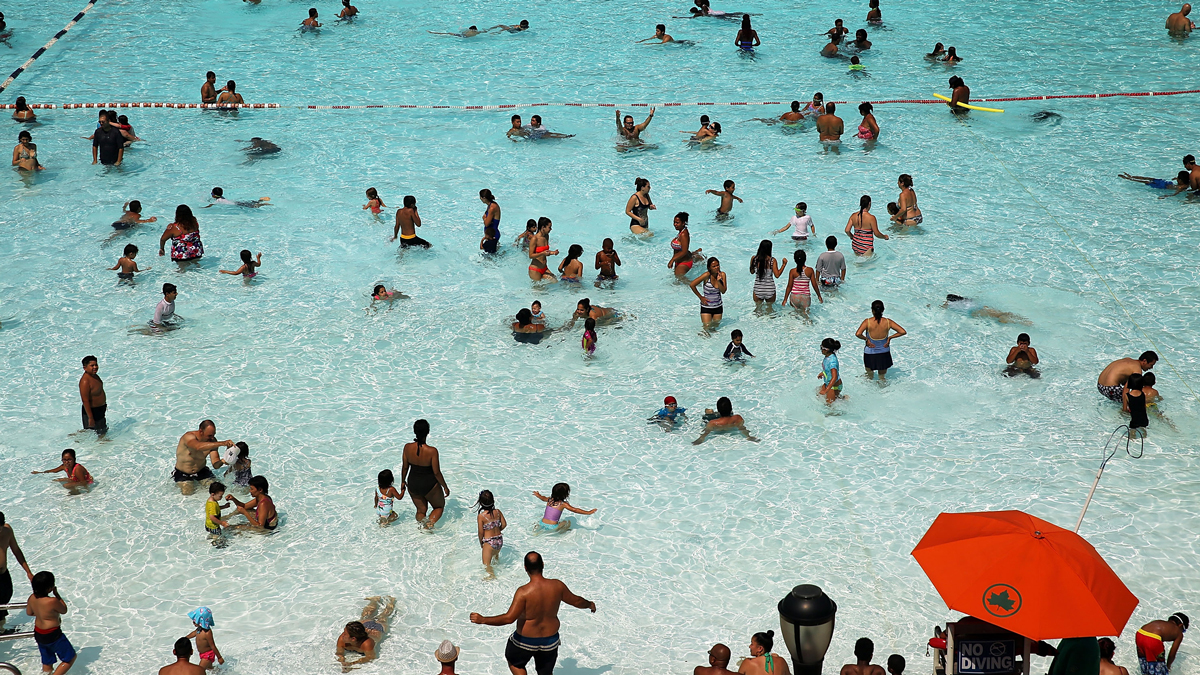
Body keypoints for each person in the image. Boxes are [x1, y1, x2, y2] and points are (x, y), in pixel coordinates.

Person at [470, 551, 597, 675]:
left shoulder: (523, 592)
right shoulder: (557, 586)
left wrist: (483, 620)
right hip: (550, 641)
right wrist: (589, 604)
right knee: (545, 672)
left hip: (525, 641)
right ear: (543, 564)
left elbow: (509, 618)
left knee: (515, 664)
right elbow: (576, 601)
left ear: (525, 568)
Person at [401, 419, 450, 529]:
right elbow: (436, 472)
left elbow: (405, 467)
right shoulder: (432, 451)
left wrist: (403, 481)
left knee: (421, 510)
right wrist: (445, 487)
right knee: (438, 507)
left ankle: (422, 524)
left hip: (413, 483)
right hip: (429, 485)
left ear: (414, 431)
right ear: (427, 432)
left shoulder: (407, 447)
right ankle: (428, 526)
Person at [26, 571, 77, 675]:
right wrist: (57, 595)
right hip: (53, 635)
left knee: (47, 661)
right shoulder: (52, 601)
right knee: (70, 658)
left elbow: (29, 612)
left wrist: (42, 614)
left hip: (39, 633)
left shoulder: (32, 598)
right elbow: (64, 610)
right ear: (50, 588)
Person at [173, 420, 234, 495]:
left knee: (218, 490)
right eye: (209, 435)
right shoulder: (188, 437)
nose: (212, 438)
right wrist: (222, 443)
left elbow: (215, 465)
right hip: (183, 473)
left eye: (213, 435)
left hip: (201, 471)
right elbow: (198, 447)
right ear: (201, 431)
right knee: (187, 493)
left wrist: (223, 461)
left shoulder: (213, 442)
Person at [336, 597, 396, 672]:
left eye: (345, 633)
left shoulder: (367, 643)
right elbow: (339, 653)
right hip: (364, 625)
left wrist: (352, 663)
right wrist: (343, 661)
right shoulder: (343, 639)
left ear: (353, 639)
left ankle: (391, 602)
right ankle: (375, 600)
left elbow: (371, 657)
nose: (342, 635)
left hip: (378, 628)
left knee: (384, 616)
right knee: (367, 614)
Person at [0, 512, 34, 630]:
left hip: (3, 575)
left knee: (6, 597)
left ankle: (1, 629)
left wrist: (28, 572)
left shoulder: (7, 531)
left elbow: (16, 551)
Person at [857, 300, 906, 380]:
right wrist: (890, 337)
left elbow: (858, 334)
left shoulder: (867, 322)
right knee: (882, 377)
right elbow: (902, 331)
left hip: (870, 353)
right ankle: (884, 391)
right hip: (884, 352)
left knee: (869, 376)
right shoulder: (888, 322)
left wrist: (866, 339)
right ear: (883, 310)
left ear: (872, 310)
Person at [693, 397, 758, 444]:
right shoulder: (738, 418)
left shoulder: (713, 423)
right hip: (730, 421)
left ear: (718, 410)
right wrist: (749, 436)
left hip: (718, 423)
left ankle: (711, 412)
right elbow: (742, 428)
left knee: (707, 413)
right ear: (731, 408)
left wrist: (700, 439)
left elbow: (706, 433)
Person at [689, 257, 728, 330]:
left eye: (717, 265)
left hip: (718, 307)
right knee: (706, 328)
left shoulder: (722, 275)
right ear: (709, 268)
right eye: (714, 266)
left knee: (715, 328)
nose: (717, 267)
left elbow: (723, 291)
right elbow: (692, 285)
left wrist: (719, 281)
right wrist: (701, 297)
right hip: (706, 307)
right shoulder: (706, 275)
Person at [944, 294, 1031, 324]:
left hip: (975, 311)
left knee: (1000, 318)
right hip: (982, 306)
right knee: (1001, 313)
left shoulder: (952, 304)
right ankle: (1023, 320)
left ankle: (1019, 322)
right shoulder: (966, 300)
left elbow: (944, 306)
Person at [476, 490, 507, 574]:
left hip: (489, 542)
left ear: (481, 503)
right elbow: (504, 524)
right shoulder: (497, 512)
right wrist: (496, 532)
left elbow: (480, 533)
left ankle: (492, 579)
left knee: (487, 566)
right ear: (493, 501)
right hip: (499, 540)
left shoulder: (481, 516)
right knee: (495, 561)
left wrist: (481, 543)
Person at [76, 355, 108, 434]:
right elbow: (85, 400)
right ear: (85, 368)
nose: (95, 367)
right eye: (92, 365)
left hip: (100, 409)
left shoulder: (95, 376)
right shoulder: (85, 381)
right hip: (92, 411)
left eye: (96, 365)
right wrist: (90, 418)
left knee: (102, 430)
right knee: (91, 434)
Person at [749, 239, 786, 307]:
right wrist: (784, 264)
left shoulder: (754, 259)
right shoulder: (772, 260)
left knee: (758, 310)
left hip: (758, 288)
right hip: (770, 289)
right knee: (770, 310)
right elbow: (777, 275)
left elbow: (752, 272)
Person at [669, 212, 703, 277]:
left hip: (684, 263)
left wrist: (672, 260)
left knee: (680, 282)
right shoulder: (681, 232)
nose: (675, 224)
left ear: (683, 223)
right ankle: (696, 254)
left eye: (677, 223)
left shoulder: (684, 234)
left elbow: (684, 252)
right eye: (674, 222)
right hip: (679, 261)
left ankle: (698, 285)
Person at [527, 217, 559, 282]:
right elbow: (530, 255)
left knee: (555, 281)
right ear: (543, 227)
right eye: (549, 227)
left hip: (544, 267)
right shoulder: (534, 239)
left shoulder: (546, 236)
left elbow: (545, 251)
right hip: (535, 269)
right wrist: (542, 253)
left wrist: (553, 252)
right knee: (539, 291)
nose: (551, 229)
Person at [818, 339, 843, 404]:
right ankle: (839, 398)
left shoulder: (832, 361)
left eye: (821, 348)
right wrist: (823, 373)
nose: (821, 350)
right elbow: (827, 369)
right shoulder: (828, 356)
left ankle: (842, 399)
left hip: (834, 386)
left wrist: (826, 390)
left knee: (829, 407)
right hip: (828, 382)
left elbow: (834, 377)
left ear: (827, 349)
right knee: (818, 395)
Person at [204, 187, 270, 208]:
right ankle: (261, 200)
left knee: (253, 206)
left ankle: (264, 204)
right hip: (236, 202)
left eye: (212, 193)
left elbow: (210, 205)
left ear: (215, 195)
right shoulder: (221, 197)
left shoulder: (218, 201)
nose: (211, 194)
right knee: (251, 203)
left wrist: (202, 208)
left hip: (237, 204)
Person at [480, 189, 502, 254]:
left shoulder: (492, 208)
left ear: (484, 198)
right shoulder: (490, 205)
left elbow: (487, 224)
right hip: (491, 235)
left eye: (480, 197)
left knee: (490, 257)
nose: (480, 199)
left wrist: (484, 218)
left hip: (493, 236)